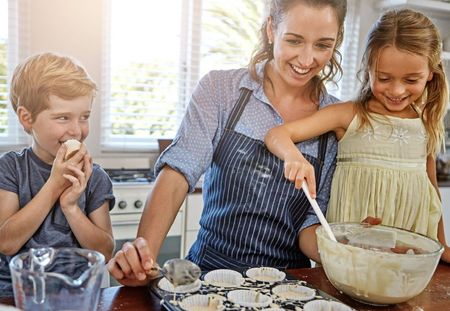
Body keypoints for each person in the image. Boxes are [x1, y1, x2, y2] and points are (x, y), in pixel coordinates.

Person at [108, 0, 347, 286]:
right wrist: (142, 257)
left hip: (289, 285)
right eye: (294, 40)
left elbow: (312, 222)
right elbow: (177, 174)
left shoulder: (334, 120)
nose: (307, 60)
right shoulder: (221, 90)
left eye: (322, 45)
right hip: (207, 275)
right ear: (271, 29)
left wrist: (351, 255)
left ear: (338, 40)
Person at [265, 9, 450, 262]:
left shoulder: (426, 122)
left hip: (412, 251)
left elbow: (432, 192)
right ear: (368, 69)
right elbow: (277, 134)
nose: (397, 89)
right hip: (354, 253)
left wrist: (441, 245)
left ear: (431, 72)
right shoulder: (348, 115)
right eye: (384, 78)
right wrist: (293, 157)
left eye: (411, 79)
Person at [0, 52, 116, 296]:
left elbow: (105, 251)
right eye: (63, 117)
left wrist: (71, 207)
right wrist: (54, 186)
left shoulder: (94, 177)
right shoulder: (11, 168)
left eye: (84, 117)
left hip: (76, 295)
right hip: (14, 294)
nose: (77, 130)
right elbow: (7, 243)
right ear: (26, 118)